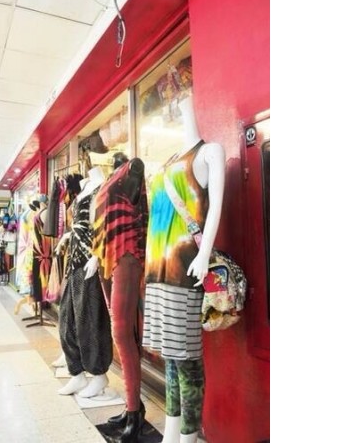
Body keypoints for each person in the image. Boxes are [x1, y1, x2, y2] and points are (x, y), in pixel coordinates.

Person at [141, 92, 225, 443]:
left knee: (187, 358)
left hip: (184, 270)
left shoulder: (210, 152)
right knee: (172, 358)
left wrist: (204, 254)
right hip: (157, 272)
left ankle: (188, 436)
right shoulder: (170, 160)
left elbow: (216, 206)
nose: (176, 108)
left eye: (180, 103)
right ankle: (171, 433)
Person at [85, 156, 149, 443]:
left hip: (127, 254)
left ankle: (134, 414)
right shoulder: (109, 179)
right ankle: (132, 406)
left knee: (122, 333)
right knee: (121, 334)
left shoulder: (132, 168)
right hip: (105, 256)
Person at [56, 167, 113, 398]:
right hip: (74, 261)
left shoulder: (104, 187)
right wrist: (67, 236)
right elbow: (80, 223)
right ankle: (77, 373)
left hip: (90, 261)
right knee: (66, 320)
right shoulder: (84, 188)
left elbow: (107, 225)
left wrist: (97, 257)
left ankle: (99, 375)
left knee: (89, 320)